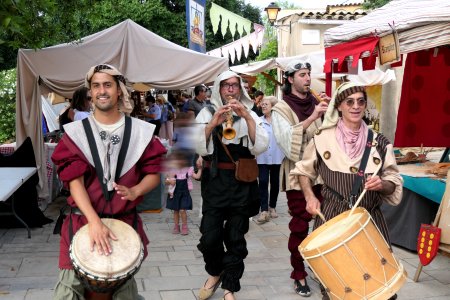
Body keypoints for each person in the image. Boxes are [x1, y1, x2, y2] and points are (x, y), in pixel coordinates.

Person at [51, 64, 167, 300]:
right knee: (66, 293)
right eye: (96, 86)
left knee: (124, 295)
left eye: (107, 85)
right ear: (90, 93)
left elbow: (154, 172)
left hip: (123, 226)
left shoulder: (141, 132)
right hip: (81, 223)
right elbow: (75, 182)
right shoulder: (75, 133)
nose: (102, 90)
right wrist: (94, 222)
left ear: (119, 90)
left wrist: (136, 190)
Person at [291, 82, 403, 300]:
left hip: (369, 222)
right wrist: (310, 196)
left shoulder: (380, 142)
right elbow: (303, 172)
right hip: (332, 220)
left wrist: (382, 184)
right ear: (339, 107)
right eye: (349, 102)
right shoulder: (322, 139)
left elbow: (393, 180)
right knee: (337, 288)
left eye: (361, 101)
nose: (356, 106)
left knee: (380, 287)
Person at [195, 70, 269, 300]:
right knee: (210, 237)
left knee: (236, 237)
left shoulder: (251, 115)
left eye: (234, 85)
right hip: (215, 182)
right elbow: (197, 146)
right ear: (218, 88)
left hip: (241, 183)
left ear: (240, 88)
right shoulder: (207, 112)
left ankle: (230, 287)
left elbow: (262, 147)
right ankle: (216, 272)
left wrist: (247, 117)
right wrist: (213, 122)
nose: (230, 89)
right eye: (225, 85)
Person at [271, 60, 330, 297]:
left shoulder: (317, 101)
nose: (308, 79)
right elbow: (287, 145)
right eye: (303, 75)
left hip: (323, 173)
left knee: (325, 223)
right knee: (300, 226)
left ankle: (322, 269)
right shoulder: (280, 108)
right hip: (297, 174)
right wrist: (313, 116)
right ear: (290, 79)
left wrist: (330, 111)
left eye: (309, 74)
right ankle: (299, 274)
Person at [255, 96, 285, 224]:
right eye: (262, 104)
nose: (263, 106)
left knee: (274, 182)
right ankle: (264, 209)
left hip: (277, 155)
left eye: (266, 104)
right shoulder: (258, 121)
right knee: (262, 181)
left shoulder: (280, 122)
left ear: (273, 106)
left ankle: (272, 206)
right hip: (262, 156)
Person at [165, 151, 202, 235]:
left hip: (184, 193)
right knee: (176, 211)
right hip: (175, 193)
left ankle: (184, 226)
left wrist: (200, 169)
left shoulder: (189, 169)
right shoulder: (173, 170)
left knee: (182, 210)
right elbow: (166, 181)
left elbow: (197, 176)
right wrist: (169, 181)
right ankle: (176, 226)